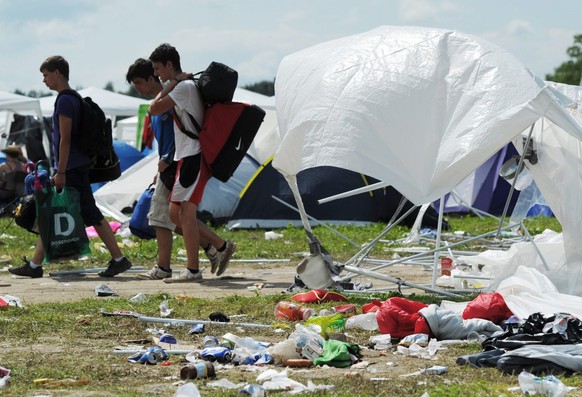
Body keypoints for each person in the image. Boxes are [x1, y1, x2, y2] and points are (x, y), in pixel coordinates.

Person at [8, 55, 132, 278]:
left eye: (46, 75)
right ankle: (36, 265)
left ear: (57, 73)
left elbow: (65, 139)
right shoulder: (74, 98)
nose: (44, 80)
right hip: (76, 165)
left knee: (76, 213)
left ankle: (119, 259)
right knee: (60, 211)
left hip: (73, 167)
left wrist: (61, 171)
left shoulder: (65, 100)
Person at [125, 58, 235, 281]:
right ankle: (215, 246)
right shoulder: (166, 98)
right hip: (171, 163)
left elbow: (181, 131)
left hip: (178, 162)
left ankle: (180, 263)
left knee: (162, 216)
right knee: (171, 216)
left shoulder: (171, 99)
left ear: (152, 77)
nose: (138, 89)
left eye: (139, 83)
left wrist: (166, 159)